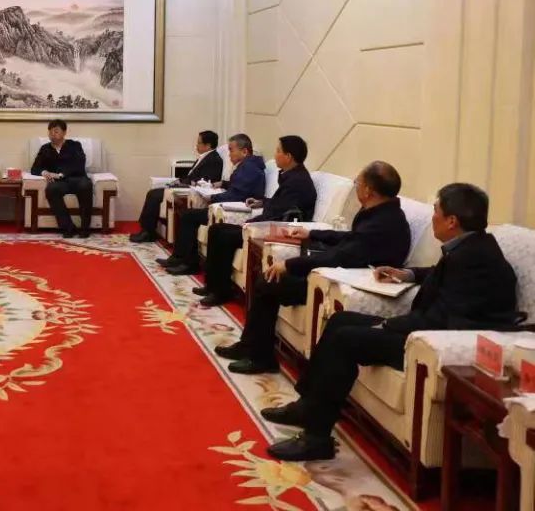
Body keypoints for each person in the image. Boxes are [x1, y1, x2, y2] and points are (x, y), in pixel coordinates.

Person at [262, 183, 519, 462]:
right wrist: (407, 274)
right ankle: (307, 406)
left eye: (436, 210)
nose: (433, 216)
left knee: (346, 340)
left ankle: (316, 438)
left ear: (452, 221)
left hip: (435, 341)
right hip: (426, 327)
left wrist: (387, 325)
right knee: (340, 320)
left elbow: (442, 318)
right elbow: (441, 273)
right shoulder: (472, 246)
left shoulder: (475, 260)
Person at [217, 161, 411, 374]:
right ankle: (250, 346)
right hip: (338, 271)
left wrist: (290, 264)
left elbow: (342, 256)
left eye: (358, 183)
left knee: (270, 282)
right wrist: (312, 233)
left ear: (368, 190)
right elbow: (350, 238)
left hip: (343, 279)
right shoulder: (380, 212)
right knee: (268, 281)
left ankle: (260, 357)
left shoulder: (383, 223)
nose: (356, 186)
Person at [191, 135, 317, 308]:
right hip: (268, 222)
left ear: (288, 156)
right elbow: (279, 203)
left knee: (223, 235)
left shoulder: (298, 181)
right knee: (217, 230)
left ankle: (221, 291)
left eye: (278, 151)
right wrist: (262, 202)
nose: (275, 154)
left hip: (279, 229)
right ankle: (213, 286)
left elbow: (281, 213)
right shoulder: (291, 175)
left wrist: (252, 222)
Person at [156, 134, 265, 269]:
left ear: (244, 151)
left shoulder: (249, 168)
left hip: (235, 210)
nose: (229, 154)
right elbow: (238, 186)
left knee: (188, 216)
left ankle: (187, 262)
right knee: (188, 215)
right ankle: (180, 258)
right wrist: (223, 184)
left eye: (231, 150)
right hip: (229, 204)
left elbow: (237, 194)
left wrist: (212, 198)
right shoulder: (247, 165)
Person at [130, 130, 224, 243]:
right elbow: (191, 175)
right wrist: (179, 181)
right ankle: (146, 230)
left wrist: (182, 183)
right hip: (185, 186)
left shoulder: (214, 160)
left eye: (199, 143)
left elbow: (204, 180)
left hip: (192, 191)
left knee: (154, 195)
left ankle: (148, 232)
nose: (196, 145)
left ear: (208, 145)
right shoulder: (205, 157)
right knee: (154, 192)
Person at [30, 119, 93, 239]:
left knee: (86, 186)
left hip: (77, 178)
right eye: (50, 132)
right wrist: (44, 172)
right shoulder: (45, 149)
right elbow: (34, 168)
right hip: (60, 183)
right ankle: (68, 227)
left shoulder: (75, 145)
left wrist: (60, 174)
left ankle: (85, 228)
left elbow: (80, 164)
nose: (52, 134)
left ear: (64, 132)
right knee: (51, 189)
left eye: (56, 131)